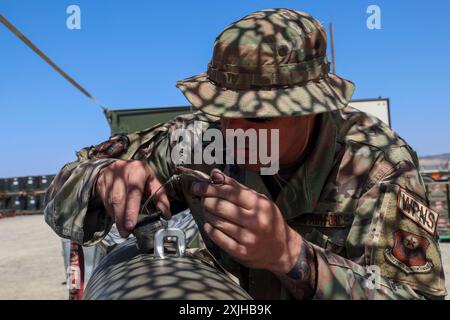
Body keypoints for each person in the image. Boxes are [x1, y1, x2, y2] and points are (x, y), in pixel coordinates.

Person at [44, 8, 446, 299]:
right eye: (224, 111)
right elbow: (67, 182)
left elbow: (413, 295)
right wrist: (101, 178)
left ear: (310, 109)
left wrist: (291, 256)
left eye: (256, 119)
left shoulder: (377, 167)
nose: (234, 132)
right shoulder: (200, 139)